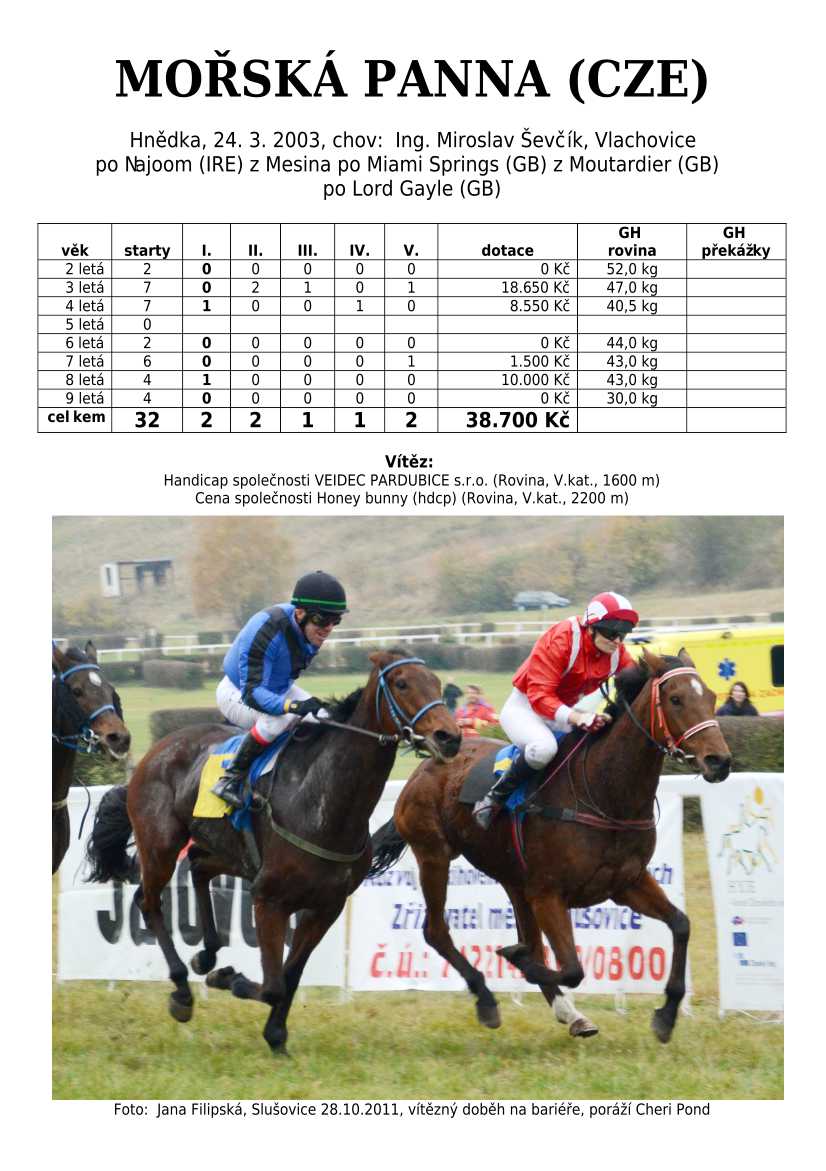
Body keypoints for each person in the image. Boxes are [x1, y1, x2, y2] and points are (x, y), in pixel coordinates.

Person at [473, 592, 639, 828]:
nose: (617, 641)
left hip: (563, 713)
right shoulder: (562, 639)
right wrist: (577, 717)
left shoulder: (616, 653)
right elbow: (540, 696)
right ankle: (493, 799)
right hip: (526, 708)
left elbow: (636, 682)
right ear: (592, 627)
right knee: (544, 749)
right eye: (612, 633)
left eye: (623, 634)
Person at [211, 570, 347, 809]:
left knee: (323, 716)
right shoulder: (266, 628)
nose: (328, 628)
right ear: (300, 613)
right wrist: (292, 706)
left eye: (335, 620)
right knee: (277, 720)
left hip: (275, 690)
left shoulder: (307, 629)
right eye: (322, 619)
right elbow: (253, 693)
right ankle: (230, 779)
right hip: (237, 691)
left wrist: (296, 706)